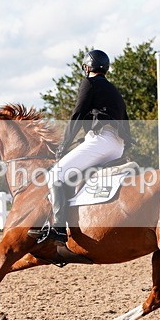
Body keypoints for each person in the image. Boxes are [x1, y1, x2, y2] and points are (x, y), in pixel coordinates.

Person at [40, 49, 132, 244]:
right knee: (78, 174)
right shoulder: (112, 88)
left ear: (88, 67)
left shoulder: (89, 82)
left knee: (55, 174)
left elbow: (77, 115)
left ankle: (59, 227)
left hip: (102, 141)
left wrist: (63, 146)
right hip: (117, 145)